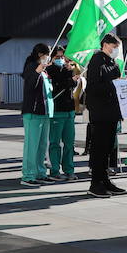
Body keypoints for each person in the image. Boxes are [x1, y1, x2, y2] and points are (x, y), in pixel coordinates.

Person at [84, 34, 127, 197]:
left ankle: (105, 180)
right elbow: (93, 88)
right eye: (114, 46)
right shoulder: (97, 61)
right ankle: (96, 183)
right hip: (100, 112)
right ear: (105, 45)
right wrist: (115, 84)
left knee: (109, 148)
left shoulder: (113, 63)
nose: (116, 50)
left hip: (112, 112)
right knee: (99, 148)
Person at [46, 46, 82, 183]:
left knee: (69, 143)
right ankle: (55, 170)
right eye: (58, 57)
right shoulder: (48, 70)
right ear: (52, 58)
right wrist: (70, 80)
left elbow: (72, 85)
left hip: (69, 110)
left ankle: (69, 170)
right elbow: (55, 88)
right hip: (56, 110)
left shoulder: (69, 70)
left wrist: (73, 77)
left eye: (62, 57)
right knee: (55, 142)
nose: (61, 59)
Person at [20, 43, 54, 187]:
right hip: (32, 112)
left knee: (42, 145)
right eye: (47, 54)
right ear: (41, 54)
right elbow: (29, 85)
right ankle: (28, 175)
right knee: (31, 146)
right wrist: (37, 72)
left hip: (45, 112)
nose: (48, 58)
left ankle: (41, 172)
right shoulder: (31, 66)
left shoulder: (44, 71)